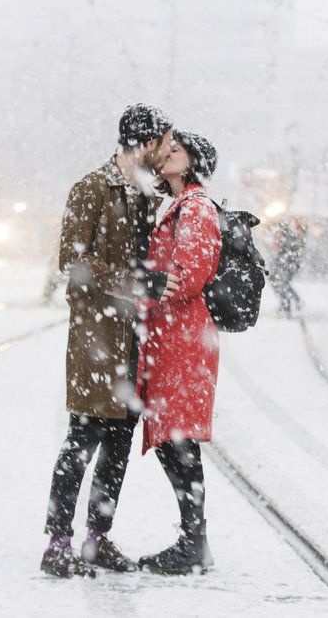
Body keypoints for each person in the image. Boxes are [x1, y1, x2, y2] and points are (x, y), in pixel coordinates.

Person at [41, 104, 179, 578]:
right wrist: (138, 283)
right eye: (163, 143)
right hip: (96, 338)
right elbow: (72, 262)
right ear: (143, 143)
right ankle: (58, 542)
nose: (166, 153)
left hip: (134, 339)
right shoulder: (91, 189)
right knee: (82, 439)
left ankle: (97, 540)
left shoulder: (145, 195)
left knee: (119, 444)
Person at [135, 130, 222, 575]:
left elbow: (187, 275)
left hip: (184, 339)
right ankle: (193, 539)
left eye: (177, 149)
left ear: (192, 163)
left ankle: (194, 542)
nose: (167, 152)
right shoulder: (173, 205)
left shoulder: (197, 207)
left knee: (179, 438)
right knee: (173, 438)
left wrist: (143, 286)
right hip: (170, 336)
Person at [270, 216, 306, 317]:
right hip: (283, 263)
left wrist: (286, 262)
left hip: (287, 264)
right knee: (276, 281)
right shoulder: (283, 235)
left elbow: (290, 251)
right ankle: (287, 303)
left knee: (284, 283)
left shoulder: (290, 236)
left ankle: (289, 303)